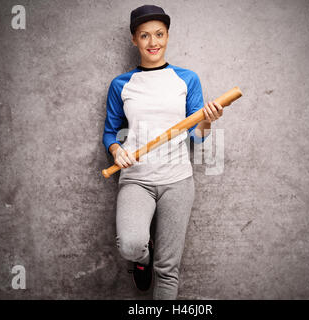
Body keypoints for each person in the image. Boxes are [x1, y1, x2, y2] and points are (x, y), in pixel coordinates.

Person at [102, 5, 224, 300]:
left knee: (168, 268)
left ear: (167, 36)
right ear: (134, 40)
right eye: (144, 35)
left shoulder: (187, 79)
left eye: (159, 34)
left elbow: (199, 137)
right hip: (136, 179)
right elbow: (110, 132)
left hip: (177, 180)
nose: (153, 42)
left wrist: (207, 120)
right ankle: (142, 260)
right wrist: (117, 151)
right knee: (130, 244)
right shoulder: (121, 84)